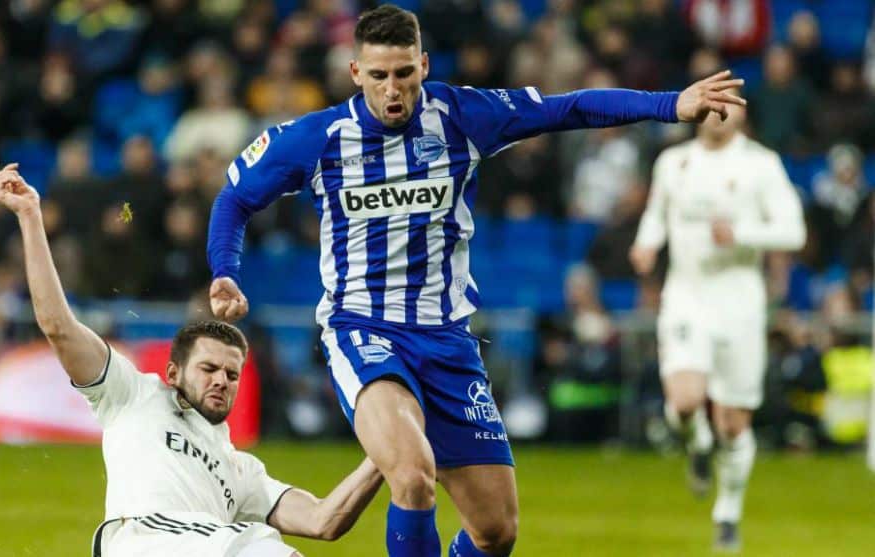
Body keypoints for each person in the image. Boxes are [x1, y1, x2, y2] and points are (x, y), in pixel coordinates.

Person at [206, 5, 746, 556]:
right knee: (413, 477)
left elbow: (571, 108)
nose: (393, 90)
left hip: (447, 340)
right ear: (354, 73)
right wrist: (225, 271)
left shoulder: (462, 115)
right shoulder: (317, 138)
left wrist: (669, 105)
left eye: (404, 74)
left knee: (496, 532)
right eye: (378, 76)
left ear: (423, 64)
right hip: (362, 330)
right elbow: (235, 198)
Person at [0, 163, 383, 557]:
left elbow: (324, 520)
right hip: (148, 540)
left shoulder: (241, 471)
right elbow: (58, 325)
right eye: (209, 369)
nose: (222, 381)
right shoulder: (133, 394)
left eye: (232, 374)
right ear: (173, 372)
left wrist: (390, 453)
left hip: (214, 544)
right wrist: (30, 217)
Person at [629, 87, 806, 551]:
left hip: (740, 299)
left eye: (727, 109)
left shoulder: (761, 165)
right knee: (685, 401)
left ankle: (727, 513)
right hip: (686, 294)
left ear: (743, 116)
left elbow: (793, 230)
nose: (715, 115)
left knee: (734, 421)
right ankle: (697, 442)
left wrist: (742, 233)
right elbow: (657, 214)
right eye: (710, 107)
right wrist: (647, 244)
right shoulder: (673, 163)